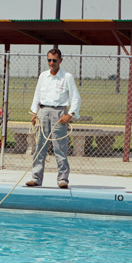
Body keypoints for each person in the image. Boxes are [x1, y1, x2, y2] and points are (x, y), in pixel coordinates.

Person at [25, 48, 82, 189]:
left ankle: (63, 179)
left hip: (59, 114)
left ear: (60, 61)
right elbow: (37, 95)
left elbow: (76, 98)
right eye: (49, 60)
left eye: (54, 60)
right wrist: (34, 113)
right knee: (39, 146)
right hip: (43, 112)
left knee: (60, 148)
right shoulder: (43, 76)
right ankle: (36, 178)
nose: (51, 63)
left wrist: (70, 114)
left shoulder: (67, 77)